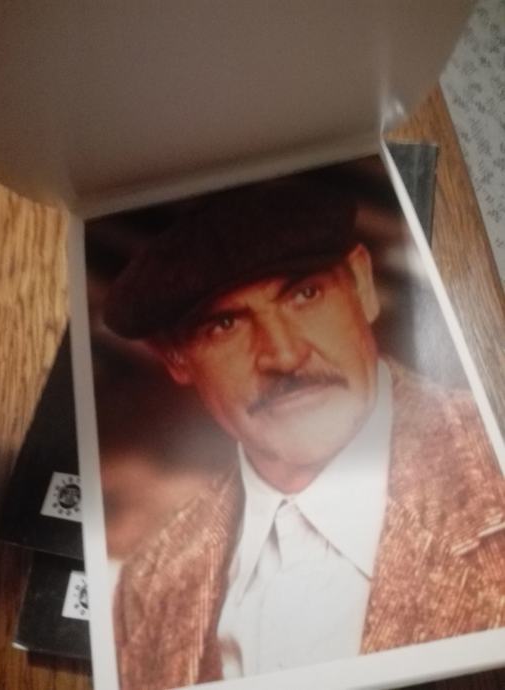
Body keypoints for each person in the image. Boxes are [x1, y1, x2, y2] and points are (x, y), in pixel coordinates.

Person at [103, 176, 505, 690]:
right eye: (224, 325)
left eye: (305, 294)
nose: (284, 355)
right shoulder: (149, 583)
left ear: (360, 284)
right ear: (175, 359)